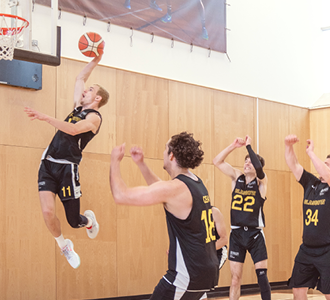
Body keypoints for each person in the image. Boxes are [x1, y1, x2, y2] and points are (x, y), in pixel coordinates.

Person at [110, 132, 219, 300]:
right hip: (206, 273)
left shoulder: (176, 188)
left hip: (186, 275)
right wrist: (141, 165)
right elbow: (162, 191)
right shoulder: (194, 182)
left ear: (172, 155)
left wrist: (114, 162)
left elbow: (121, 196)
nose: (163, 153)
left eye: (165, 148)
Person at [24, 54, 109, 269]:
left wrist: (46, 118)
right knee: (47, 213)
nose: (85, 91)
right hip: (48, 164)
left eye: (90, 90)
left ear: (97, 98)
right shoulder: (77, 107)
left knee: (74, 221)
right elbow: (80, 77)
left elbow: (72, 129)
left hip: (68, 169)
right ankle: (64, 246)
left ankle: (89, 221)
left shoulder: (94, 119)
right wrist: (96, 59)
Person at [284, 134, 330, 300]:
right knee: (297, 291)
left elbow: (327, 176)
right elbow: (294, 165)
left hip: (329, 249)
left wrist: (311, 153)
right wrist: (288, 146)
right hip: (307, 249)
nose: (319, 165)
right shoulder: (311, 183)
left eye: (326, 164)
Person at [213, 135, 271, 300]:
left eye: (250, 161)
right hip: (237, 234)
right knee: (235, 279)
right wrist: (233, 146)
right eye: (245, 161)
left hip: (255, 234)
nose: (247, 163)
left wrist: (249, 148)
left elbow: (259, 170)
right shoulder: (236, 177)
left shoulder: (261, 182)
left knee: (261, 276)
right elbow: (217, 161)